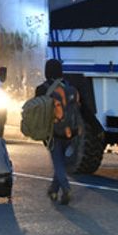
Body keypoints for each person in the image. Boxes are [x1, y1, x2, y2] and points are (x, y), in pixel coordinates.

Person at [34, 59, 83, 205]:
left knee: (58, 163)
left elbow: (37, 112)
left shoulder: (42, 89)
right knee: (61, 161)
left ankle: (66, 188)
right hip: (72, 131)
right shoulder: (70, 87)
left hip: (54, 132)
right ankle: (53, 190)